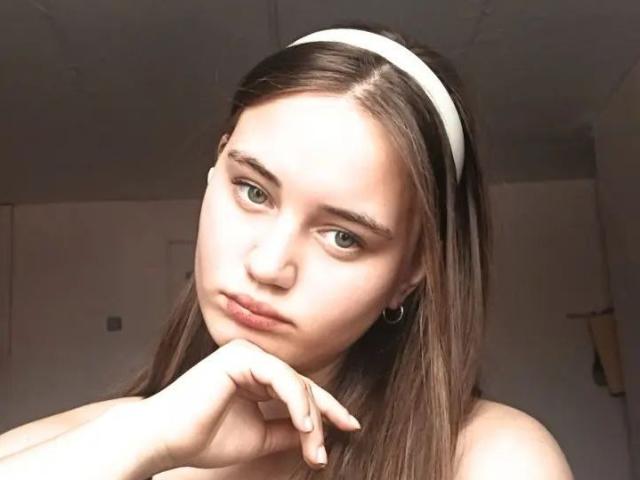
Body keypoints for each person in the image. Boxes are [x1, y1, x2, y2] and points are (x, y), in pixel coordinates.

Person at [0, 21, 574, 480]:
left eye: (343, 236)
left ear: (409, 273)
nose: (267, 265)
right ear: (215, 169)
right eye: (253, 191)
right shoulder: (112, 436)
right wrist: (142, 440)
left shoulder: (490, 458)